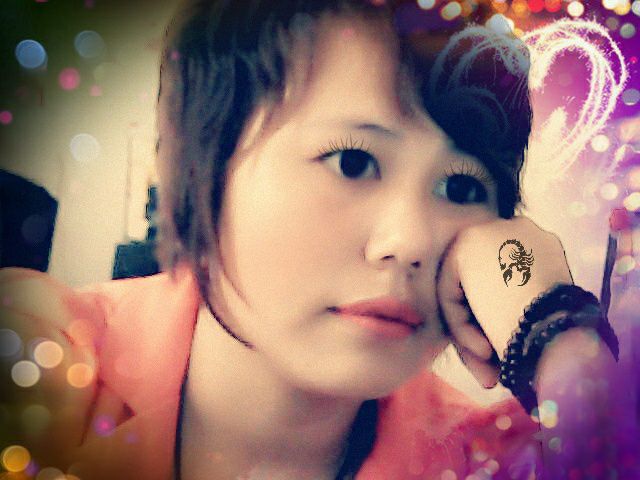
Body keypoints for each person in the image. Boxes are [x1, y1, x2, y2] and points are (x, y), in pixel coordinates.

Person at [0, 1, 635, 479]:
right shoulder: (33, 359)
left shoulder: (493, 458)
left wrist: (558, 333)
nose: (410, 241)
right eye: (353, 162)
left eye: (462, 187)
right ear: (198, 167)